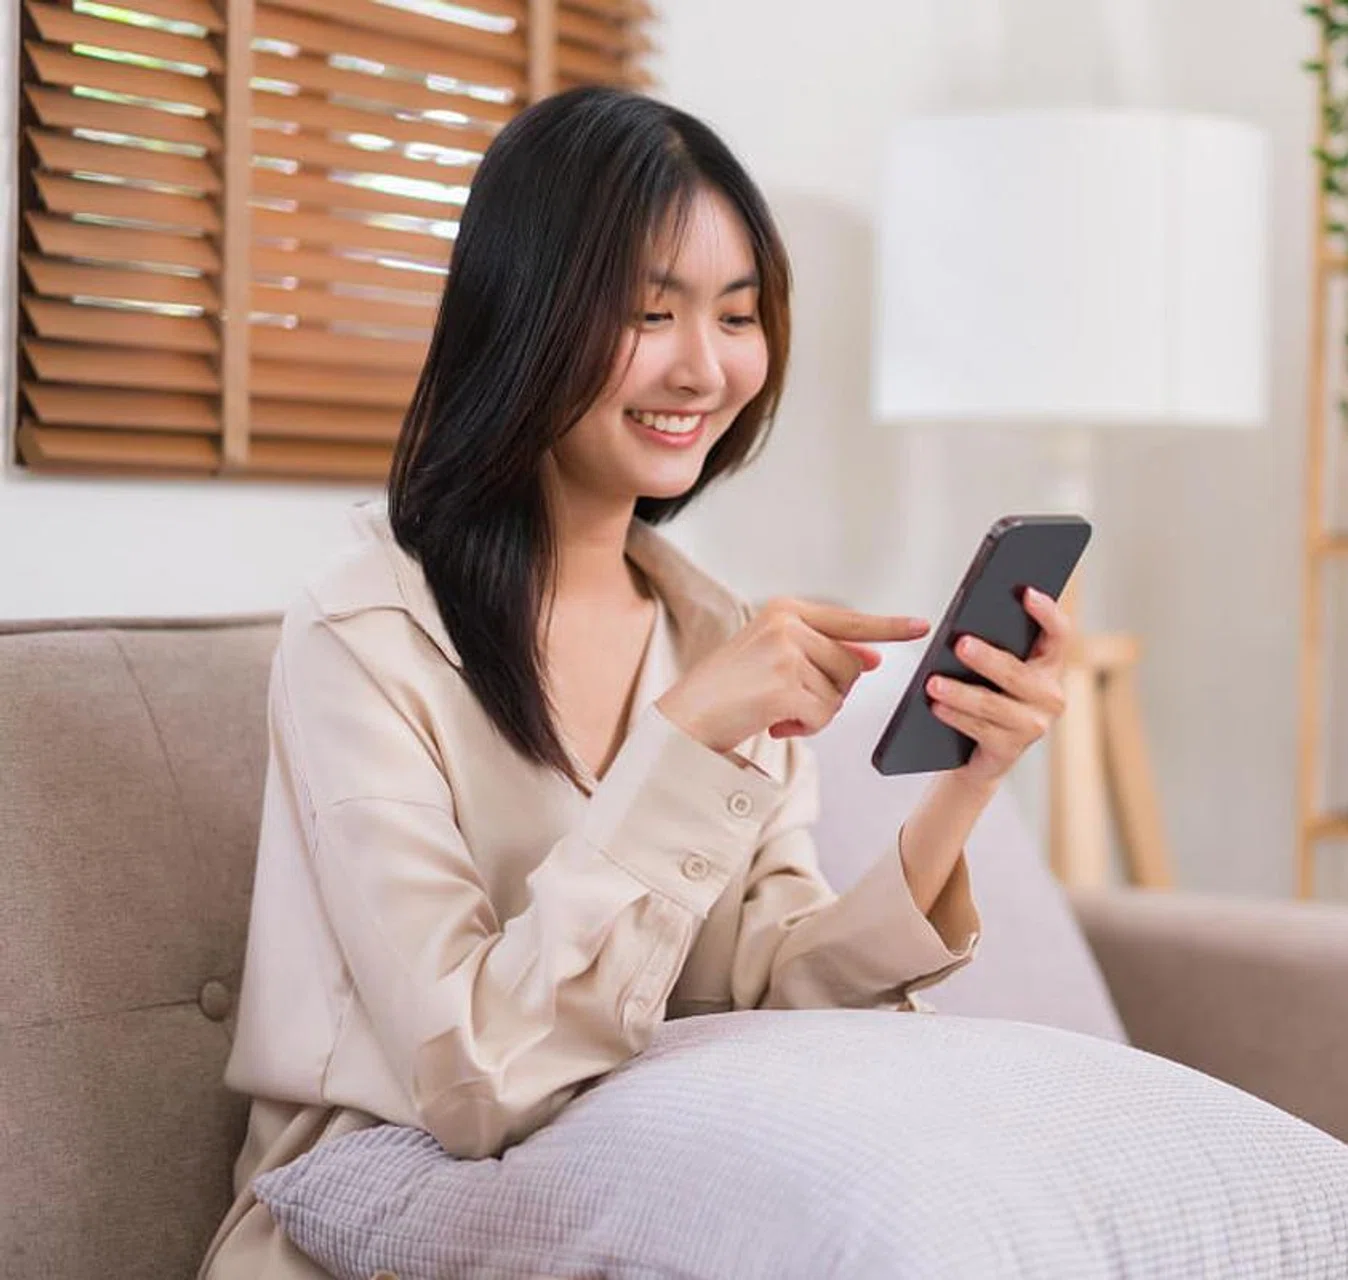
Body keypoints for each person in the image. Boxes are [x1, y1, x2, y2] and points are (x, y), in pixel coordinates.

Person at [198, 86, 1074, 1279]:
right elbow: (475, 1075)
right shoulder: (367, 635)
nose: (705, 367)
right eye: (649, 312)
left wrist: (964, 788)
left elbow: (764, 994)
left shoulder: (710, 625)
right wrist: (687, 734)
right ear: (524, 315)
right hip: (374, 1212)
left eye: (738, 314)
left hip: (647, 1185)